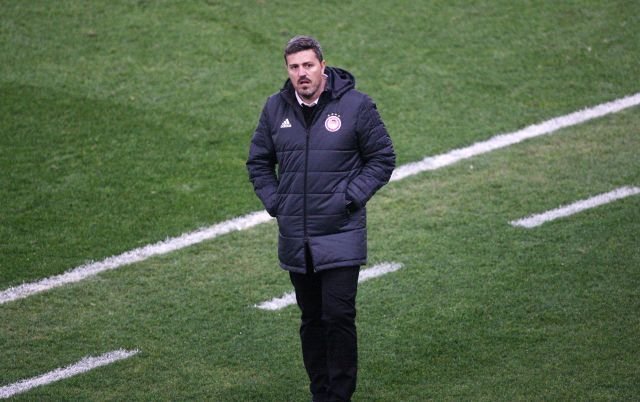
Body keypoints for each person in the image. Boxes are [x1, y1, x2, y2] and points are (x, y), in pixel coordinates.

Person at [246, 35, 395, 402]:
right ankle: (321, 392)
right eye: (294, 67)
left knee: (338, 316)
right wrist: (277, 202)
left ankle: (340, 395)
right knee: (311, 320)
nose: (302, 73)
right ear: (288, 70)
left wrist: (350, 197)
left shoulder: (356, 106)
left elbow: (382, 158)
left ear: (322, 66)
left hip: (341, 231)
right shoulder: (275, 109)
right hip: (297, 238)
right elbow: (259, 162)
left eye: (308, 65)